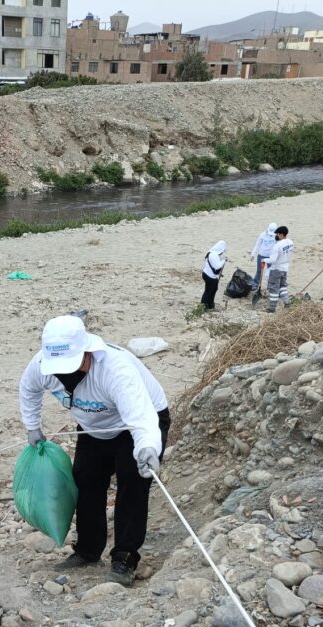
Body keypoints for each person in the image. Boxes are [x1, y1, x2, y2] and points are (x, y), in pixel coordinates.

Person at [19, 315, 166, 587]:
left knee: (133, 481)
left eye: (71, 367)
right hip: (92, 427)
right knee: (85, 481)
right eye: (59, 369)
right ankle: (87, 551)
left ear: (88, 351)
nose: (64, 376)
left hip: (134, 424)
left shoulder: (115, 369)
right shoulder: (41, 365)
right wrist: (32, 426)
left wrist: (148, 446)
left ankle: (124, 557)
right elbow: (28, 390)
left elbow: (141, 417)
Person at [265, 226, 294, 313]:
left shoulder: (277, 246)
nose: (276, 235)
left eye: (277, 234)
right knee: (282, 287)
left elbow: (272, 259)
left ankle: (272, 307)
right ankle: (287, 302)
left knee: (273, 288)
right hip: (285, 268)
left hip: (276, 269)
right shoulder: (290, 242)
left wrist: (264, 260)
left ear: (281, 234)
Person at [250, 222, 277, 289]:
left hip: (271, 257)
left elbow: (278, 247)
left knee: (271, 271)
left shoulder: (277, 237)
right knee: (259, 270)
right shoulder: (262, 235)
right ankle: (255, 284)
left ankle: (270, 286)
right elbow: (257, 244)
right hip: (261, 255)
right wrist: (253, 254)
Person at [201, 241, 227, 311]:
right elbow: (217, 266)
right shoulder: (214, 255)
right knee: (208, 291)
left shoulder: (212, 253)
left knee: (214, 289)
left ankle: (210, 305)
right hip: (209, 276)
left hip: (209, 275)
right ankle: (204, 306)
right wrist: (224, 260)